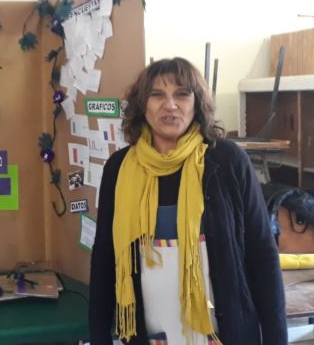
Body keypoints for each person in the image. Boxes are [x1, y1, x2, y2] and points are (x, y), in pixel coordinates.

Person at [89, 58, 287, 344]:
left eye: (182, 94)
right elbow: (105, 258)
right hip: (150, 334)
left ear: (197, 103)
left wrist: (276, 339)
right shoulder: (119, 169)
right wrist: (99, 338)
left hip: (224, 332)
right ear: (142, 105)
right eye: (157, 95)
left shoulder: (228, 161)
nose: (170, 105)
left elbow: (262, 255)